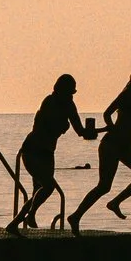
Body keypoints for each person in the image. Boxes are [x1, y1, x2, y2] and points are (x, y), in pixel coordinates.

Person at [69, 56, 131, 227]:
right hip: (112, 144)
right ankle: (76, 216)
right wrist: (111, 127)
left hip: (124, 145)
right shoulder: (129, 91)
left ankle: (115, 202)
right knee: (104, 186)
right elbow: (107, 113)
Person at [8, 75, 93, 232]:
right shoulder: (49, 102)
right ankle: (30, 214)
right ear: (59, 90)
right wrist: (64, 126)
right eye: (68, 93)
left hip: (48, 152)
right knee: (47, 187)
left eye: (72, 94)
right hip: (32, 150)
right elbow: (50, 125)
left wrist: (92, 132)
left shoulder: (70, 105)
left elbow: (80, 131)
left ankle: (15, 224)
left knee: (39, 191)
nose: (70, 96)